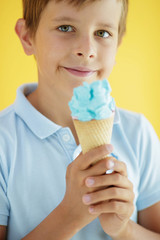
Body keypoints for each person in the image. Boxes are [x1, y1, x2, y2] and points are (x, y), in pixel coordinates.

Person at [0, 0, 160, 239]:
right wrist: (69, 216)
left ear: (118, 43)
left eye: (102, 33)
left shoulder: (138, 134)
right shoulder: (4, 141)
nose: (87, 49)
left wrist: (124, 229)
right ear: (27, 36)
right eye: (65, 28)